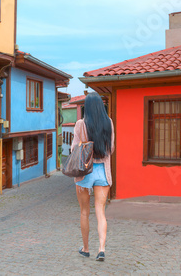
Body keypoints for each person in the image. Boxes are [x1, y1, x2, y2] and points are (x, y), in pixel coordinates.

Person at [72, 93, 114, 261]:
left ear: (86, 107)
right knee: (100, 212)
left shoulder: (80, 124)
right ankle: (101, 249)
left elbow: (74, 148)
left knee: (84, 211)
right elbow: (111, 148)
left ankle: (86, 248)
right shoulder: (109, 122)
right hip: (103, 171)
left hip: (85, 172)